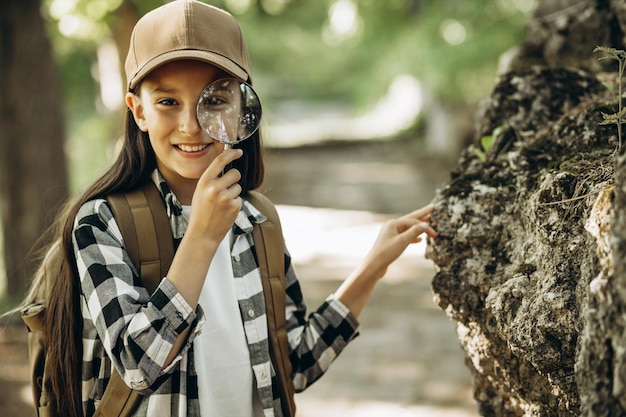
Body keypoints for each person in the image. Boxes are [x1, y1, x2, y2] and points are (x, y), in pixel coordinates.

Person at [42, 1, 437, 416]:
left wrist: (372, 266)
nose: (191, 125)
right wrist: (201, 235)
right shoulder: (102, 222)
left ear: (242, 108)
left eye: (213, 100)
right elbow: (138, 367)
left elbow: (293, 367)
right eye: (168, 102)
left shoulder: (257, 219)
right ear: (138, 110)